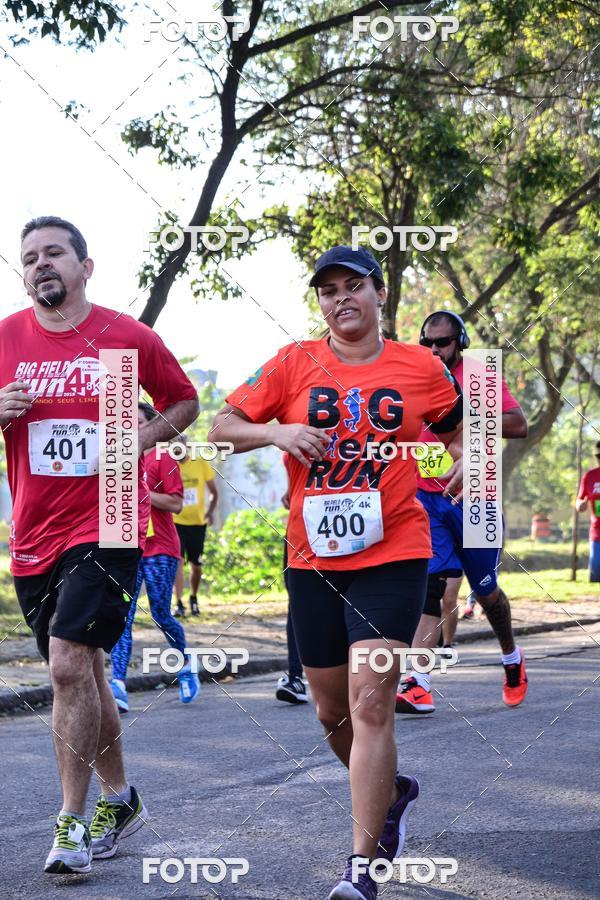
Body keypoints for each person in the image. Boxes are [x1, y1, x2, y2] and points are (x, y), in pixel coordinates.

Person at [209, 245, 464, 900]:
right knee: (330, 711)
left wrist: (464, 460)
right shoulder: (293, 361)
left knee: (370, 699)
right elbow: (221, 427)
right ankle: (391, 792)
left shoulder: (420, 366)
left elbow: (460, 428)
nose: (341, 298)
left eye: (354, 285)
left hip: (394, 550)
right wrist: (277, 435)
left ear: (380, 293)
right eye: (328, 290)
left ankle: (362, 865)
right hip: (312, 558)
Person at [0, 217, 198, 875]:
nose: (41, 264)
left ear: (85, 266)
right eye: (30, 257)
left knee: (66, 663)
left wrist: (139, 439)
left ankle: (71, 824)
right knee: (82, 672)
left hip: (110, 520)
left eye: (54, 252)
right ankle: (121, 797)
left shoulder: (124, 336)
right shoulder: (6, 338)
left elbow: (184, 401)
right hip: (33, 532)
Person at [396, 311, 529, 716]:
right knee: (430, 586)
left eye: (444, 342)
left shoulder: (478, 376)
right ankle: (417, 683)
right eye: (428, 342)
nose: (435, 349)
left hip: (477, 498)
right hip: (427, 497)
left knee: (487, 593)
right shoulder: (415, 375)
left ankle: (511, 657)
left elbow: (518, 424)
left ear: (461, 342)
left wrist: (464, 418)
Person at [109, 405, 201, 712]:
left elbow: (176, 503)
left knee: (161, 613)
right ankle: (118, 685)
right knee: (123, 617)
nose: (131, 426)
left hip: (159, 547)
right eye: (127, 421)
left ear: (152, 426)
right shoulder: (116, 458)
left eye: (137, 421)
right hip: (125, 547)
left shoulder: (163, 457)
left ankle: (185, 665)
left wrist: (140, 492)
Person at [171, 434, 218, 617]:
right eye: (174, 446)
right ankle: (178, 603)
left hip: (198, 523)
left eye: (180, 445)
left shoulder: (200, 463)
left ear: (187, 447)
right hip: (176, 522)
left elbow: (214, 492)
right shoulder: (169, 466)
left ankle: (193, 597)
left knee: (196, 564)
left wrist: (210, 511)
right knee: (178, 562)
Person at [276, 462, 308, 704]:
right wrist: (292, 488)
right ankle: (295, 677)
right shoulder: (293, 438)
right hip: (302, 530)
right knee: (297, 604)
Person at [575, 440, 600, 582]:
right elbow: (579, 500)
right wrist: (581, 505)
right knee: (596, 575)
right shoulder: (590, 476)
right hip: (597, 533)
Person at [439, 573, 463, 654]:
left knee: (449, 600)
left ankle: (447, 644)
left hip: (453, 565)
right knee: (430, 600)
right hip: (429, 566)